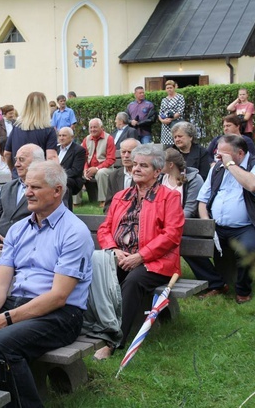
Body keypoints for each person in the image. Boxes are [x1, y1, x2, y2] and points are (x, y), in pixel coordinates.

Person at [0, 160, 93, 407]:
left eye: (35, 187)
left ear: (57, 191)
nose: (27, 193)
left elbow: (58, 297)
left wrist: (5, 319)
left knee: (1, 345)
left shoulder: (74, 231)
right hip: (19, 304)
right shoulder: (18, 230)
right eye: (26, 186)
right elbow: (0, 284)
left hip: (61, 315)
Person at [94, 145, 183, 359]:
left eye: (143, 165)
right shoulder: (121, 196)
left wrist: (141, 256)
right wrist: (114, 250)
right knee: (97, 275)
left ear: (157, 171)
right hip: (121, 256)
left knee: (133, 282)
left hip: (156, 261)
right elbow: (105, 228)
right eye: (135, 164)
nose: (136, 169)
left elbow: (172, 235)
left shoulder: (168, 197)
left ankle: (113, 342)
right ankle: (90, 329)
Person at [191, 134, 255, 302]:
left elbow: (254, 186)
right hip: (217, 225)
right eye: (218, 153)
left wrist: (230, 165)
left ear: (240, 153)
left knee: (247, 249)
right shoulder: (218, 167)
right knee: (185, 239)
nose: (218, 157)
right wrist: (206, 222)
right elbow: (202, 200)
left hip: (249, 226)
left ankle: (243, 290)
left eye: (223, 154)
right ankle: (216, 283)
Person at [0, 144, 44, 250]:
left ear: (37, 163)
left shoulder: (48, 190)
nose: (16, 164)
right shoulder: (7, 188)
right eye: (16, 160)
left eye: (21, 160)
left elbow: (51, 226)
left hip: (29, 250)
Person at [4, 92, 58, 177]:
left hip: (19, 178)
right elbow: (51, 157)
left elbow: (7, 153)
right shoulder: (48, 130)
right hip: (38, 178)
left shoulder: (16, 127)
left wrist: (14, 171)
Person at [82, 118, 116, 207]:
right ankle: (75, 202)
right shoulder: (86, 139)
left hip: (106, 168)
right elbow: (83, 157)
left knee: (101, 173)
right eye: (91, 127)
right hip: (89, 168)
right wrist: (85, 169)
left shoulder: (109, 138)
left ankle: (104, 200)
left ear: (101, 128)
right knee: (76, 172)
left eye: (95, 127)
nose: (93, 129)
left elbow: (111, 159)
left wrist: (97, 168)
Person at [162, 148, 204, 218]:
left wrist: (170, 221)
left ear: (171, 165)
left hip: (184, 223)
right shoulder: (161, 178)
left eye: (161, 162)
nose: (158, 164)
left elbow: (189, 210)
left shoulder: (194, 180)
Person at [103, 138, 140, 213]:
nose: (126, 156)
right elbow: (108, 205)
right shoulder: (113, 176)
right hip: (117, 218)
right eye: (123, 152)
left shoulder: (144, 175)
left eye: (130, 152)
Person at [57, 127, 86, 209]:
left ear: (72, 137)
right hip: (55, 177)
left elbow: (76, 170)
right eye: (60, 135)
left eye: (64, 135)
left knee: (64, 183)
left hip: (72, 179)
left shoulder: (79, 150)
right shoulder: (55, 149)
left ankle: (67, 210)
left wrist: (58, 176)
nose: (61, 138)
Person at [158, 80, 185, 145]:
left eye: (170, 88)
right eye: (167, 88)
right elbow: (160, 113)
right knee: (166, 146)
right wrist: (162, 120)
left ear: (174, 88)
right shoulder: (164, 100)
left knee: (176, 143)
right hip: (165, 126)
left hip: (176, 123)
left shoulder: (180, 97)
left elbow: (180, 111)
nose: (169, 89)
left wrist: (171, 119)